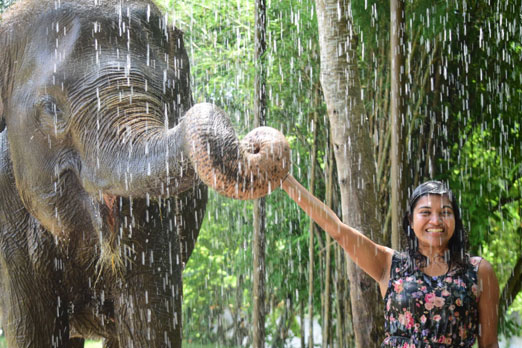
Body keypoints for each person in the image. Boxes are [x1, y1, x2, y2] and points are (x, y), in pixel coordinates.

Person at [281, 176, 499, 348]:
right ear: (411, 222)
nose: (436, 220)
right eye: (425, 212)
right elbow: (338, 230)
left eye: (446, 212)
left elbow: (488, 343)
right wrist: (285, 180)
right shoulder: (390, 264)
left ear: (456, 221)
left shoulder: (478, 271)